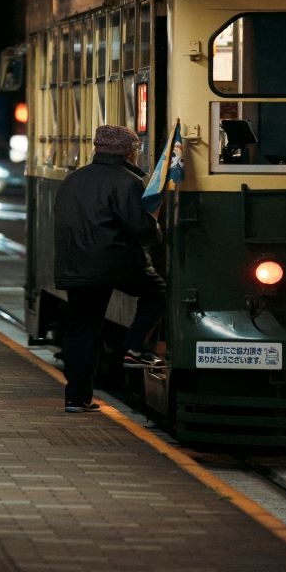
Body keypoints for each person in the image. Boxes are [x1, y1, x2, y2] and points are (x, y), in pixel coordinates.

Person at [53, 124, 166, 413]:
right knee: (156, 291)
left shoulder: (73, 179)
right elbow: (141, 229)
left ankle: (76, 399)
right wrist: (157, 230)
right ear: (129, 153)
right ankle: (136, 347)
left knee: (83, 330)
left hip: (76, 265)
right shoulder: (127, 181)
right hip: (114, 262)